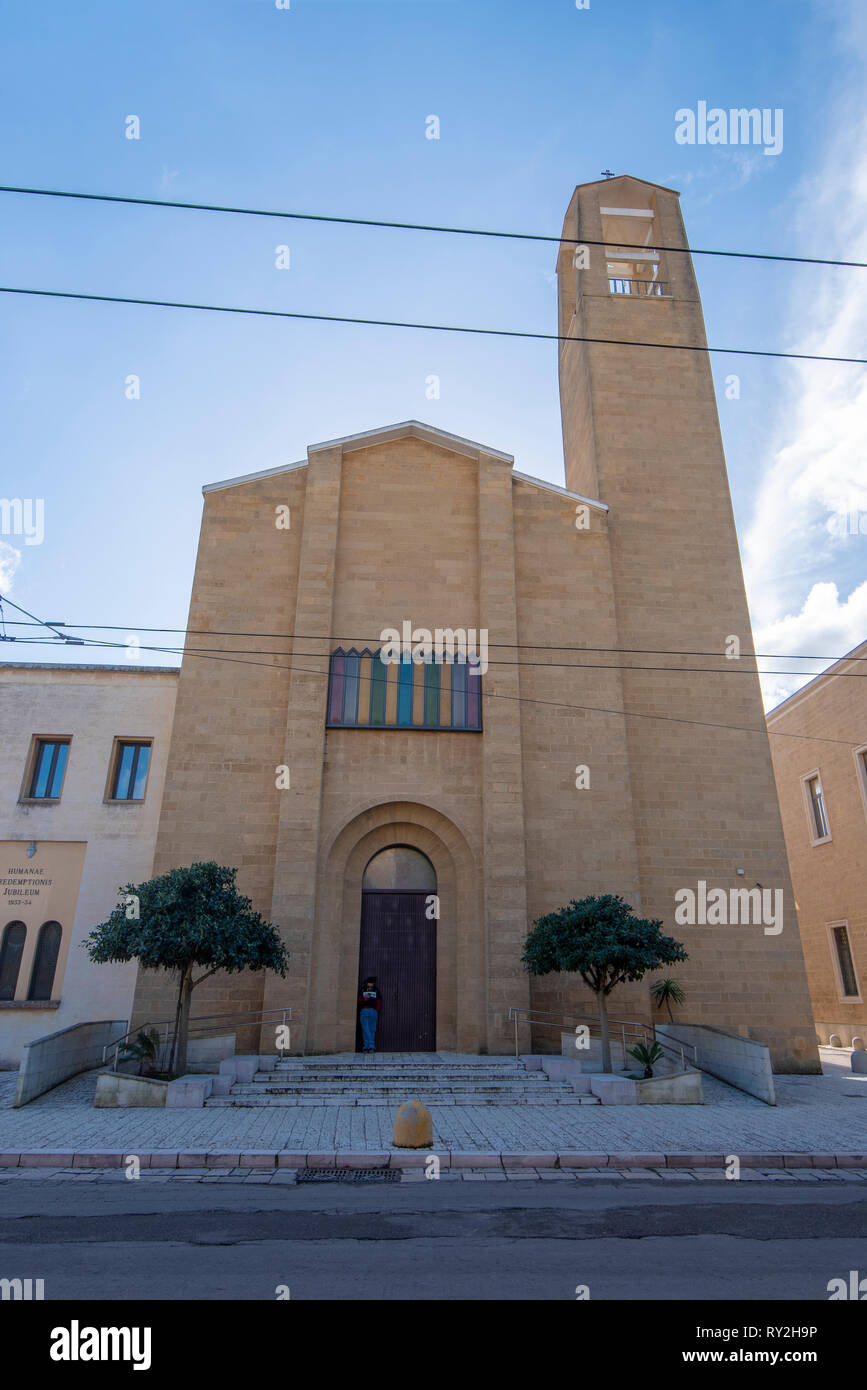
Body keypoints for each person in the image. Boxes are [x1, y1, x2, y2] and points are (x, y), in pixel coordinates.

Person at [358, 976, 381, 1053]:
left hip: (373, 1011)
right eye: (369, 982)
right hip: (364, 1010)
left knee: (372, 1029)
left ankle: (369, 1047)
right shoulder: (362, 990)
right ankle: (368, 1046)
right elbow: (359, 1001)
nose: (370, 984)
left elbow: (379, 1001)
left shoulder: (377, 991)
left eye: (371, 983)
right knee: (365, 1029)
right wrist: (364, 998)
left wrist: (376, 1010)